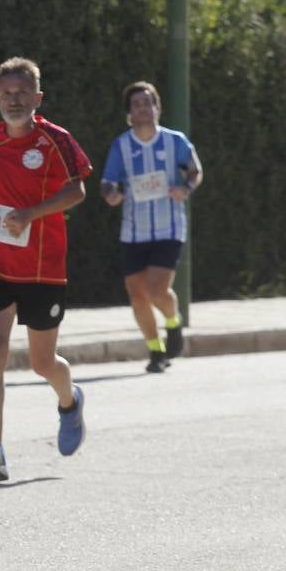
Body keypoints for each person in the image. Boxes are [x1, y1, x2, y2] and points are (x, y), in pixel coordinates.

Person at [0, 57, 90, 482]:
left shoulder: (56, 140)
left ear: (37, 98)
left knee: (42, 362)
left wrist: (32, 213)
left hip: (43, 268)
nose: (13, 100)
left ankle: (69, 402)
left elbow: (77, 190)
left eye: (21, 93)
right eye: (6, 93)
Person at [100, 81, 203, 373]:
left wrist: (186, 188)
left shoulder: (175, 141)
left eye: (148, 103)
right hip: (133, 231)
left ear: (157, 108)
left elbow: (195, 172)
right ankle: (156, 351)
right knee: (138, 296)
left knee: (158, 291)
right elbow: (108, 181)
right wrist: (112, 195)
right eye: (136, 105)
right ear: (129, 114)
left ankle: (173, 322)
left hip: (169, 228)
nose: (142, 109)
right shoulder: (121, 145)